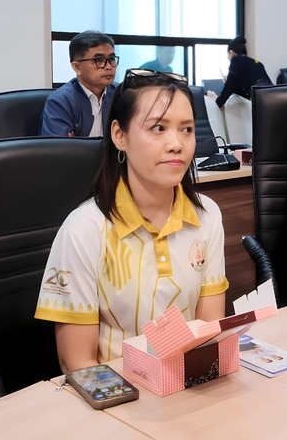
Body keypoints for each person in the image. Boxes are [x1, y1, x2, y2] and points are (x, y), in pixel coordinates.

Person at [36, 69, 228, 371]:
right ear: (119, 135)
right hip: (120, 391)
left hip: (188, 383)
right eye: (158, 128)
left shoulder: (207, 215)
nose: (176, 144)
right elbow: (78, 363)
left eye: (187, 129)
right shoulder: (83, 230)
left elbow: (208, 332)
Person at [41, 31, 119, 137]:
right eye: (99, 60)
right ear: (77, 67)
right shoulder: (60, 102)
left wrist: (78, 143)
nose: (109, 66)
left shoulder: (122, 94)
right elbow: (59, 146)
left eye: (111, 59)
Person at [206, 37, 272, 108]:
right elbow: (243, 94)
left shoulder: (235, 60)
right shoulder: (257, 63)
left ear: (232, 53)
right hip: (274, 95)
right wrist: (229, 81)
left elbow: (228, 89)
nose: (228, 58)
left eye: (228, 54)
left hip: (262, 99)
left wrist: (217, 102)